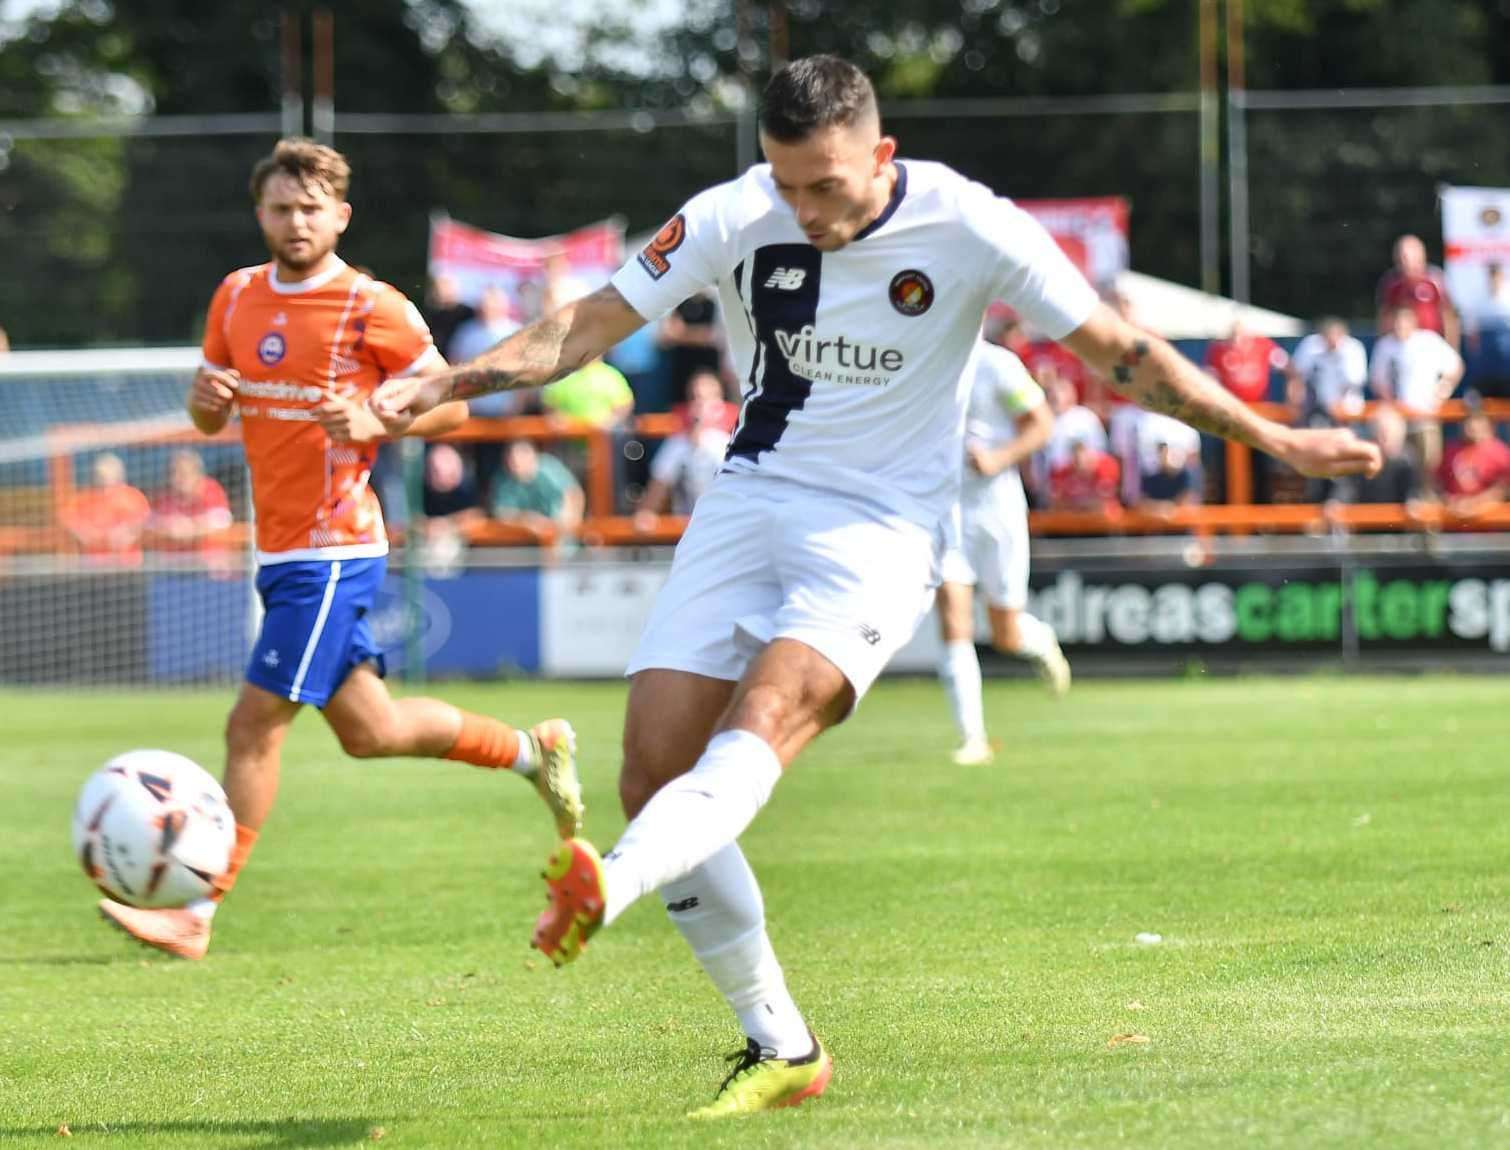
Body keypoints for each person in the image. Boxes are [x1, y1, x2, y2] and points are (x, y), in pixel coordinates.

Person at [370, 56, 1379, 1118]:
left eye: (827, 185)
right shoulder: (728, 213)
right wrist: (456, 378)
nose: (802, 209)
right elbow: (586, 322)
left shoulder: (970, 225)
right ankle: (782, 1044)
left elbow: (1122, 352)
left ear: (881, 155)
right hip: (747, 502)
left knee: (762, 721)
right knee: (648, 772)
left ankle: (606, 886)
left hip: (879, 530)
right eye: (784, 182)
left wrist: (1271, 438)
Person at [96, 137, 583, 962]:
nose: (295, 223)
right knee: (371, 728)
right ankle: (533, 751)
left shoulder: (374, 306)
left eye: (310, 210)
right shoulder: (236, 296)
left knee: (253, 726)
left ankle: (197, 910)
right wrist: (203, 398)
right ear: (261, 213)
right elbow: (213, 418)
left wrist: (379, 419)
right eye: (281, 209)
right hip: (279, 548)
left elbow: (453, 411)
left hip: (334, 548)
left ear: (340, 215)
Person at [936, 341, 1067, 768]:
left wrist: (998, 458)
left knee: (1005, 635)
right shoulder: (920, 352)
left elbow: (1041, 424)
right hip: (944, 508)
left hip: (997, 509)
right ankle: (973, 737)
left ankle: (1038, 638)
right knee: (954, 621)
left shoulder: (997, 364)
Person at [1370, 305, 1464, 483]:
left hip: (1425, 416)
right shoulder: (1385, 345)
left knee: (1429, 464)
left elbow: (1455, 367)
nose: (1400, 325)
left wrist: (1442, 392)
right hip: (1397, 421)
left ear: (1413, 322)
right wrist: (1392, 403)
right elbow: (1377, 380)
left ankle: (1427, 501)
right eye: (1397, 321)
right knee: (1396, 466)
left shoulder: (1428, 341)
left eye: (1404, 320)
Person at [634, 370, 734, 531]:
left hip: (724, 526)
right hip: (687, 532)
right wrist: (646, 516)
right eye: (694, 398)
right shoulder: (676, 444)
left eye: (705, 398)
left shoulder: (732, 443)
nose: (699, 404)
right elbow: (656, 491)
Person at [60, 452, 151, 564]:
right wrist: (87, 533)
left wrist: (124, 533)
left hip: (126, 563)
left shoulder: (133, 497)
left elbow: (142, 525)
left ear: (119, 475)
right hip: (93, 564)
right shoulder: (83, 499)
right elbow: (67, 520)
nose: (103, 480)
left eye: (108, 475)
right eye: (100, 475)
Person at [489, 439, 584, 539]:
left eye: (522, 457)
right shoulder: (503, 479)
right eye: (511, 459)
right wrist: (527, 520)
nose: (516, 463)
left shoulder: (548, 469)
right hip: (523, 538)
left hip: (560, 533)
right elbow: (502, 512)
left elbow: (573, 493)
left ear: (533, 455)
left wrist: (566, 521)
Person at [1377, 234, 1458, 349]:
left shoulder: (1435, 279)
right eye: (1402, 256)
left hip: (1433, 347)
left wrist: (1451, 349)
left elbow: (1449, 317)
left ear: (1421, 255)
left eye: (1408, 256)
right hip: (1403, 348)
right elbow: (1384, 318)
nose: (1405, 261)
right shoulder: (1391, 283)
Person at [148, 449, 233, 555]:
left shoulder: (209, 489)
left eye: (185, 473)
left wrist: (191, 527)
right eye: (174, 473)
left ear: (197, 474)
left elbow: (222, 520)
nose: (179, 478)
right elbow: (150, 523)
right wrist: (169, 526)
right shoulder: (164, 496)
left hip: (207, 561)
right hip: (173, 562)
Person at [1286, 317, 1368, 426]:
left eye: (1336, 335)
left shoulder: (1353, 349)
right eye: (1329, 336)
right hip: (1314, 406)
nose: (1332, 340)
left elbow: (1356, 380)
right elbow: (1297, 375)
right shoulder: (1310, 345)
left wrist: (1335, 403)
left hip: (1347, 405)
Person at [1438, 411, 1510, 519]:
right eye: (1467, 420)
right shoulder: (1450, 451)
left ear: (1489, 424)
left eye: (1477, 420)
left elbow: (1504, 489)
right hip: (1455, 522)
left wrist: (1475, 504)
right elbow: (1437, 483)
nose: (1471, 425)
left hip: (1491, 526)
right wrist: (1450, 501)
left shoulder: (1500, 453)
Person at [1203, 317, 1289, 404]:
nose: (1237, 340)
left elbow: (1288, 368)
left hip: (1259, 406)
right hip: (1230, 406)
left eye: (1241, 335)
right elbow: (1209, 377)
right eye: (1233, 336)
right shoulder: (1218, 351)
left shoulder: (1263, 346)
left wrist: (1292, 399)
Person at [1049, 436, 1121, 513]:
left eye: (1085, 460)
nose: (1082, 465)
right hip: (1073, 518)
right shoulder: (1061, 473)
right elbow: (1056, 504)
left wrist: (1078, 505)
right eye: (1077, 461)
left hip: (1100, 517)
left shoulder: (1106, 467)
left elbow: (1105, 502)